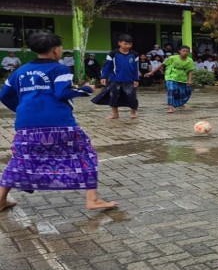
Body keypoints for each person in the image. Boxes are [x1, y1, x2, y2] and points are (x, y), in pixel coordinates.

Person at [0, 32, 117, 212]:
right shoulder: (59, 69)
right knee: (85, 154)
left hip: (26, 125)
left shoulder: (20, 71)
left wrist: (23, 109)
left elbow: (4, 95)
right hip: (60, 123)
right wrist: (86, 89)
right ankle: (92, 199)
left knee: (20, 160)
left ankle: (1, 200)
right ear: (56, 51)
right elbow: (62, 92)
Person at [91, 34, 139, 120]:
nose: (128, 46)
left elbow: (135, 68)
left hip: (129, 80)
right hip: (115, 79)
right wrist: (103, 77)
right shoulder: (113, 54)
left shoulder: (134, 54)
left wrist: (136, 79)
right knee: (114, 97)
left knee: (132, 97)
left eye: (130, 44)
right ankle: (115, 113)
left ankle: (133, 112)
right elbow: (107, 66)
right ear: (119, 43)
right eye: (125, 44)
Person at [147, 45, 195, 113]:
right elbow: (162, 64)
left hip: (182, 78)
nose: (185, 52)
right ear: (179, 51)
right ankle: (170, 107)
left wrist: (189, 80)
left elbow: (190, 70)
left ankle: (180, 104)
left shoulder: (190, 60)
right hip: (171, 77)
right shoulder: (172, 58)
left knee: (184, 92)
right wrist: (152, 72)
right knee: (171, 89)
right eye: (183, 51)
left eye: (187, 51)